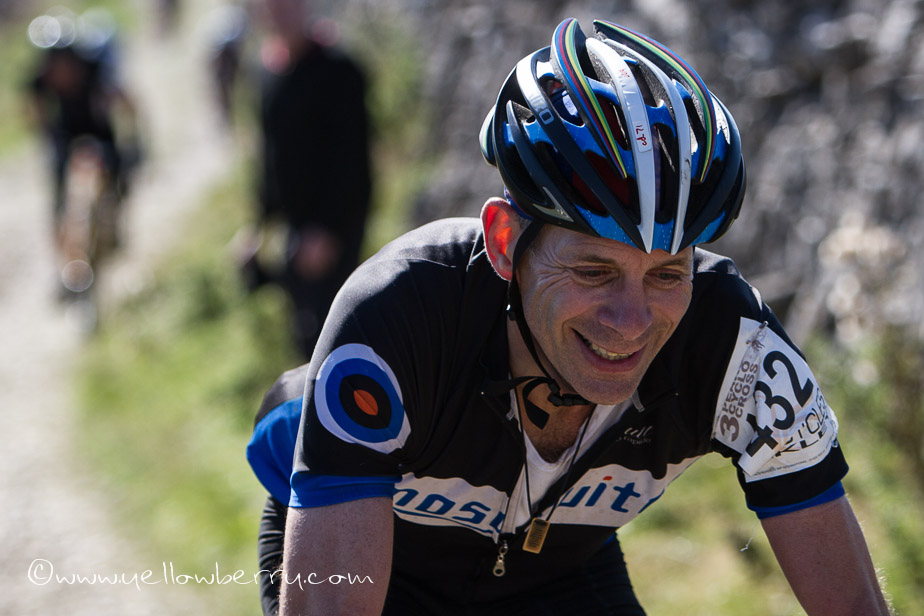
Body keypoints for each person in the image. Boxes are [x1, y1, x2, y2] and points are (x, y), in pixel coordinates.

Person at [246, 18, 890, 616]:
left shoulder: (734, 347)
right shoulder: (400, 314)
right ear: (505, 243)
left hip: (552, 566)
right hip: (373, 543)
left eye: (667, 274)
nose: (631, 321)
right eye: (593, 272)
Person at [237, 0, 372, 360]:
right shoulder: (266, 73)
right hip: (294, 232)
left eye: (286, 5)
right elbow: (270, 159)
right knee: (304, 340)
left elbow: (353, 161)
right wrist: (258, 227)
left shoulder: (339, 70)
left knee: (338, 341)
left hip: (333, 231)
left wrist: (329, 232)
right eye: (270, 6)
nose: (278, 13)